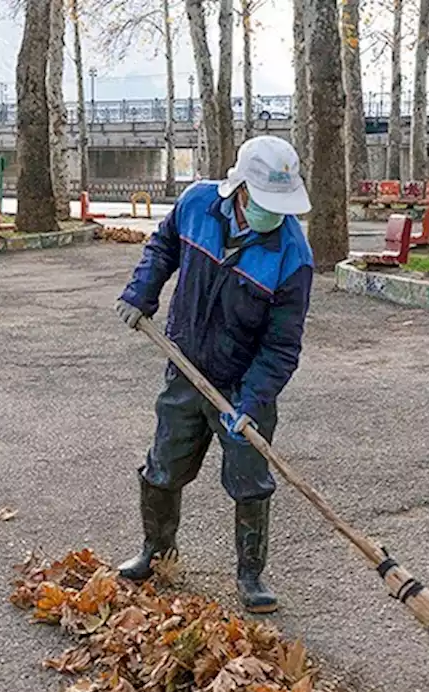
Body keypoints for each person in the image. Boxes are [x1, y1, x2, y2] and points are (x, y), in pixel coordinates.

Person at [113, 135, 315, 615]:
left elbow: (282, 346)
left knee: (250, 481)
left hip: (245, 384)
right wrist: (141, 293)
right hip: (185, 364)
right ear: (239, 189)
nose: (274, 214)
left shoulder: (293, 256)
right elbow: (162, 247)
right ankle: (157, 553)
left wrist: (251, 403)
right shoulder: (197, 203)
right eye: (264, 202)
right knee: (163, 466)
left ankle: (250, 575)